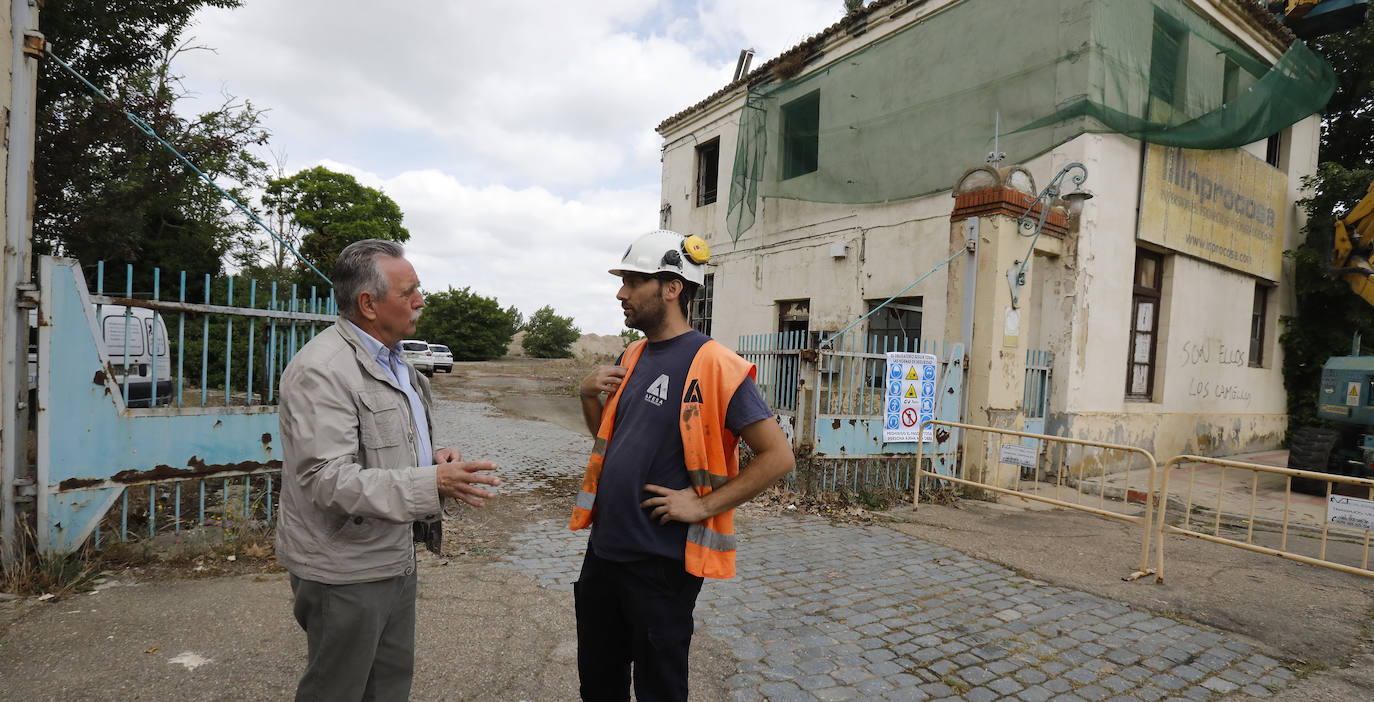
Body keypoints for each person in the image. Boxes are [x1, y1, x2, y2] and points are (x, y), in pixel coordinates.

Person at [571, 230, 795, 701]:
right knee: (599, 685)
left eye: (634, 281)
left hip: (661, 566)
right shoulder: (631, 355)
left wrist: (704, 505)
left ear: (672, 288)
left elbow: (778, 456)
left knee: (660, 690)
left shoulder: (717, 364)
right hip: (604, 555)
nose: (621, 293)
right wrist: (589, 396)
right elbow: (609, 438)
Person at [276, 238, 501, 701]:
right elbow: (326, 480)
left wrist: (433, 460)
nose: (421, 300)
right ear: (368, 304)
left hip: (393, 555)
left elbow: (387, 450)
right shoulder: (323, 370)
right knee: (337, 691)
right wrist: (431, 482)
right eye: (408, 292)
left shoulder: (399, 363)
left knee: (388, 687)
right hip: (344, 569)